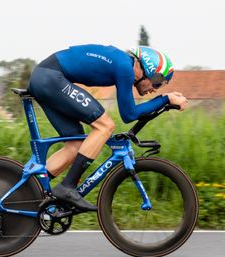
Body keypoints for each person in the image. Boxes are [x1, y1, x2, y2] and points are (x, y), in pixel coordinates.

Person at [27, 44, 188, 211]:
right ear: (146, 69)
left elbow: (130, 113)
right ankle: (67, 187)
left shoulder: (124, 65)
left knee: (75, 145)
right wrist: (165, 99)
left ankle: (28, 193)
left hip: (46, 77)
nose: (154, 89)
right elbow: (129, 114)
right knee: (105, 126)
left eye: (159, 87)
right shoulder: (125, 68)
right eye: (156, 82)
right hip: (50, 77)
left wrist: (164, 101)